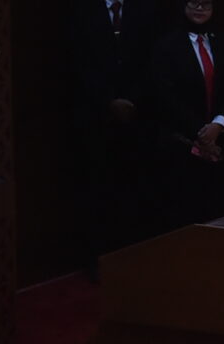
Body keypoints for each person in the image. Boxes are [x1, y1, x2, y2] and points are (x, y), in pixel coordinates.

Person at [68, 0, 158, 263]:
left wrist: (132, 101)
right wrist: (108, 101)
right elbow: (76, 63)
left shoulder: (145, 9)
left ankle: (134, 256)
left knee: (135, 190)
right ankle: (98, 261)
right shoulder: (81, 10)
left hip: (137, 117)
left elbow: (152, 60)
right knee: (98, 192)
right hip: (95, 119)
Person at [143, 0, 224, 231]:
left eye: (206, 4)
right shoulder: (167, 46)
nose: (200, 9)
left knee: (220, 209)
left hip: (221, 141)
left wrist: (219, 124)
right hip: (181, 144)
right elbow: (165, 96)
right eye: (194, 3)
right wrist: (201, 132)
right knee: (185, 212)